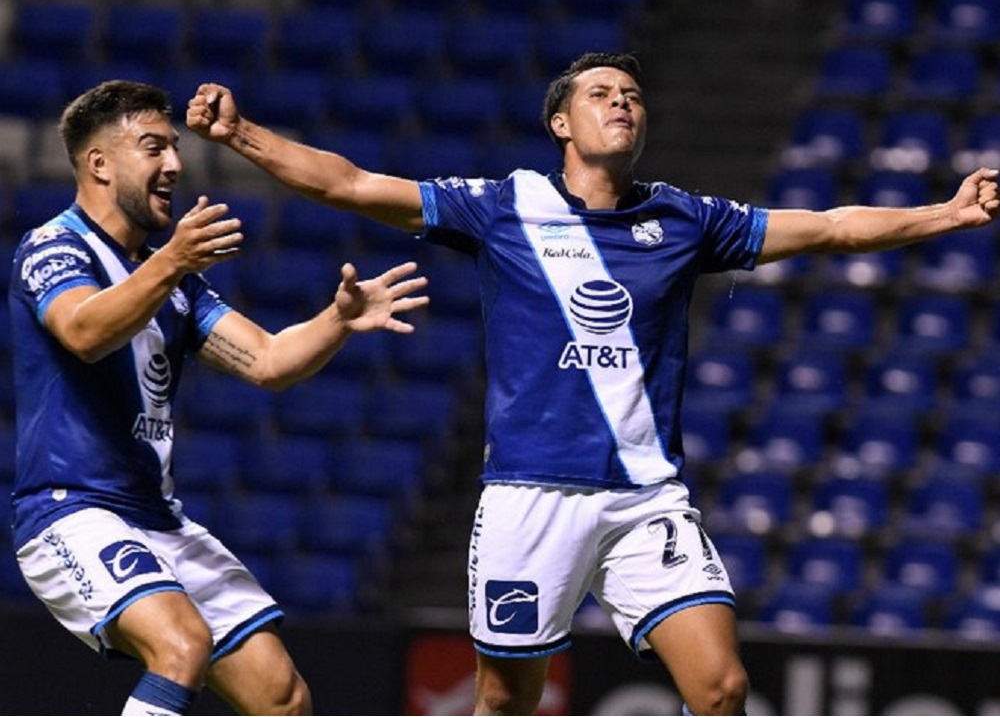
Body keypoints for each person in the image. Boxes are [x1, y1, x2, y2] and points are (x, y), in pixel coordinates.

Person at [186, 52, 999, 715]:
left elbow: (827, 228)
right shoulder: (506, 208)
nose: (622, 104)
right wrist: (241, 132)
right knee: (505, 700)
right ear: (560, 123)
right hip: (531, 496)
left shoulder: (686, 219)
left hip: (647, 498)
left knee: (721, 689)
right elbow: (351, 184)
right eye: (602, 94)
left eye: (634, 96)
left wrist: (945, 213)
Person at [8, 80, 429, 716]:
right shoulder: (55, 246)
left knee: (281, 695)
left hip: (157, 517)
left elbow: (266, 361)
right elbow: (84, 331)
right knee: (181, 646)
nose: (175, 165)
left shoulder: (173, 279)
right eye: (154, 149)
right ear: (98, 163)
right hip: (70, 510)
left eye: (175, 149)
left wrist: (337, 321)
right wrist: (171, 262)